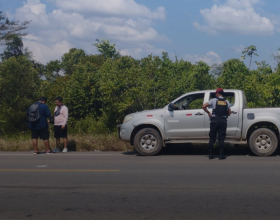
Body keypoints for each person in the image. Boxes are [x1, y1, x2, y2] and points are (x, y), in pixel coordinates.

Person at [202, 88, 231, 160]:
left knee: (212, 137)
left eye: (216, 93)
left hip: (214, 121)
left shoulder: (213, 100)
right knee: (221, 138)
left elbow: (203, 106)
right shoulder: (227, 102)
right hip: (223, 121)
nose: (215, 94)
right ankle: (221, 155)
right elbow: (229, 113)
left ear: (217, 93)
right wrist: (225, 115)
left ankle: (210, 154)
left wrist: (208, 113)